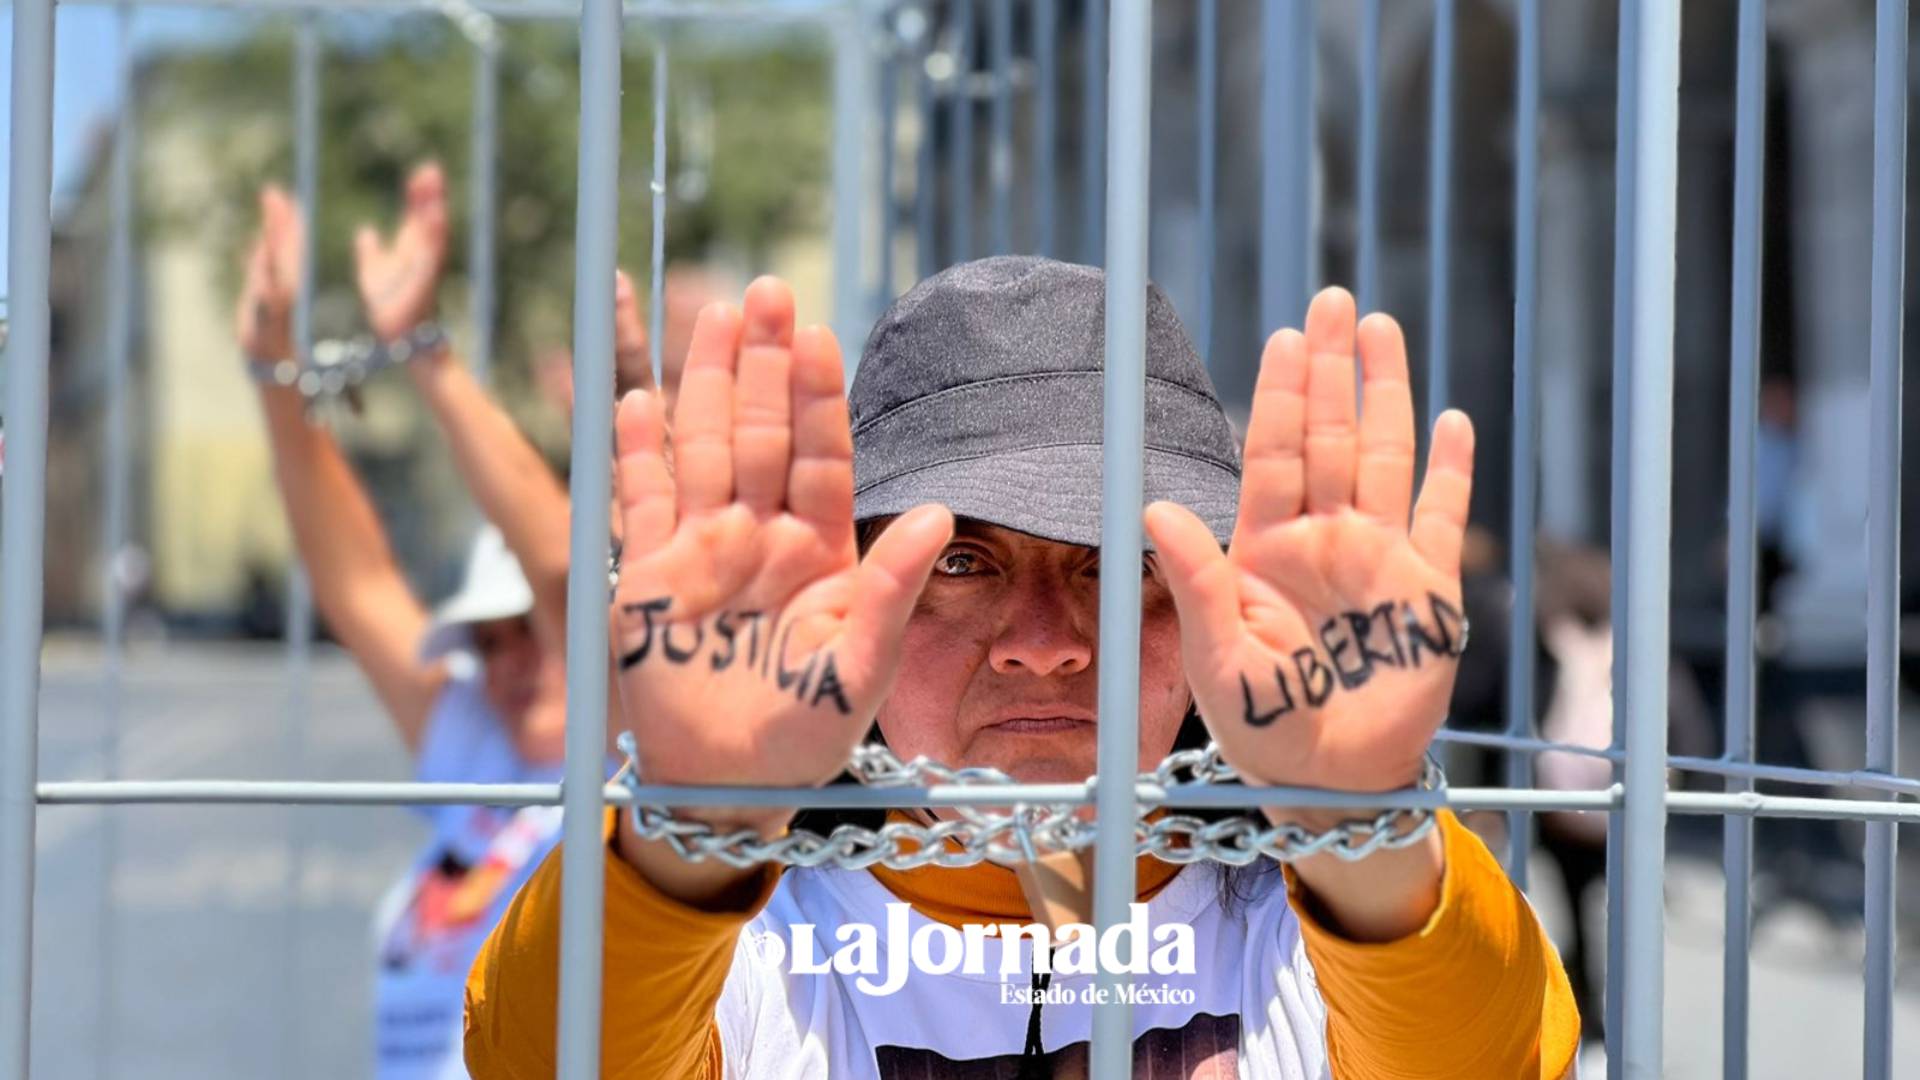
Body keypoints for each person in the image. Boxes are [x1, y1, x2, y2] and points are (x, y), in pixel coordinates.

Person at [464, 258, 1580, 1077]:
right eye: (960, 557)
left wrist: (1358, 818)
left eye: (1121, 563)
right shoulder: (756, 949)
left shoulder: (1307, 934)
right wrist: (692, 818)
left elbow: (1494, 1060)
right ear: (855, 593)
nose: (1043, 639)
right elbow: (540, 1062)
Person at [235, 167, 632, 1078]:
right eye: (486, 642)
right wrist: (270, 370)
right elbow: (359, 583)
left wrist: (424, 352)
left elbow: (569, 571)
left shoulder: (632, 765)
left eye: (530, 632)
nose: (510, 664)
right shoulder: (480, 752)